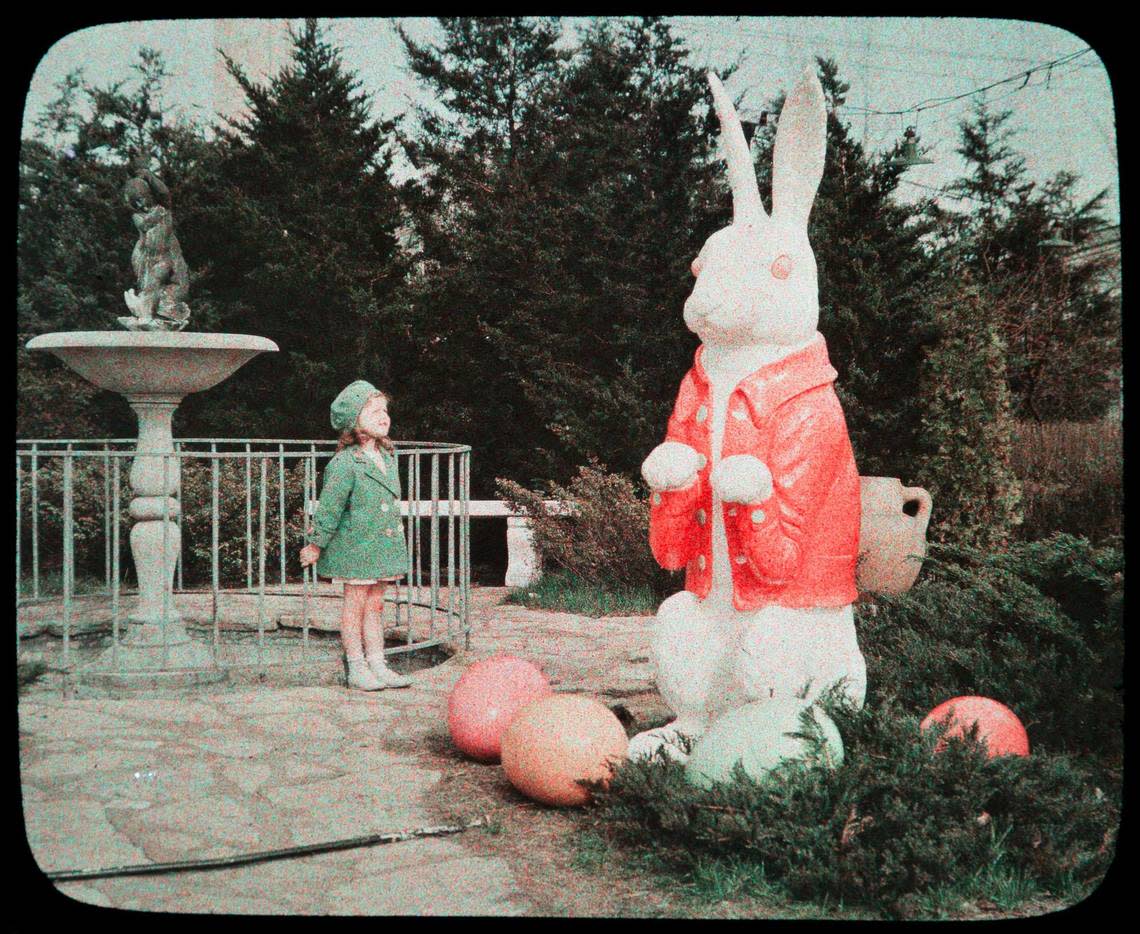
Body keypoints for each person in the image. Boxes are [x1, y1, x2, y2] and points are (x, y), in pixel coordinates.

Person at [300, 380, 413, 691]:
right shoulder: (345, 463)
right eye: (374, 410)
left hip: (379, 546)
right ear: (354, 421)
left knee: (376, 607)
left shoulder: (387, 457)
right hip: (356, 548)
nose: (383, 416)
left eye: (385, 410)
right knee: (354, 607)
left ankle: (378, 663)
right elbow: (330, 509)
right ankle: (356, 667)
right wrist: (315, 544)